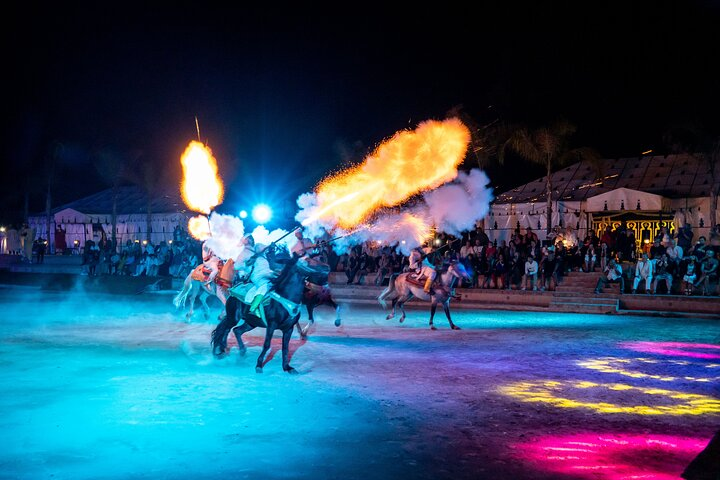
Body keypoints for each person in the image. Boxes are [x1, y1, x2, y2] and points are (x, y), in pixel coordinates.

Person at [233, 234, 275, 318]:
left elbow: (266, 248)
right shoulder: (243, 253)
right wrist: (248, 263)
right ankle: (253, 307)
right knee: (266, 285)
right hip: (258, 275)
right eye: (248, 238)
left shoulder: (257, 246)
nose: (251, 239)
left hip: (269, 271)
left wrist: (271, 246)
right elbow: (236, 266)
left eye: (251, 238)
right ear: (245, 241)